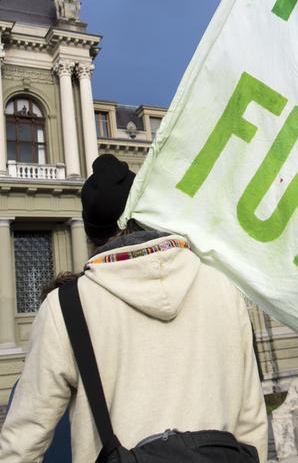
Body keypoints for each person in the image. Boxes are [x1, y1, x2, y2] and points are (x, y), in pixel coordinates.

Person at [0, 154, 267, 462]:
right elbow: (251, 423)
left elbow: (23, 443)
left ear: (91, 235)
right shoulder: (222, 288)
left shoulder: (67, 307)